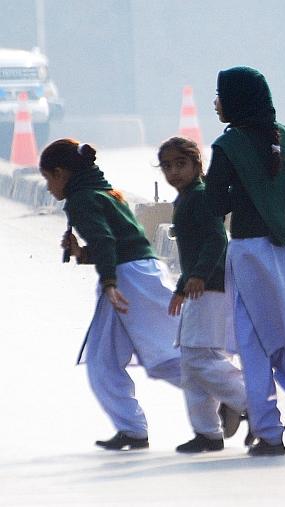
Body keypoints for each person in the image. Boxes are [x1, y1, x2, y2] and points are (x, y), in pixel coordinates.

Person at [205, 66, 285, 456]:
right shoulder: (284, 135)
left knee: (254, 343)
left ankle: (269, 434)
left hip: (249, 252)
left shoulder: (228, 145)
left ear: (236, 100)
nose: (216, 103)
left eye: (220, 95)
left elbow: (215, 202)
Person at [40, 139, 181, 450]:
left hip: (128, 279)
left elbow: (106, 242)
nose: (49, 187)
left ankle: (233, 396)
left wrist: (109, 283)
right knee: (104, 361)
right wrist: (83, 253)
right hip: (133, 272)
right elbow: (118, 241)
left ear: (61, 173)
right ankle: (132, 429)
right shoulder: (104, 192)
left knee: (163, 356)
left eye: (49, 178)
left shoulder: (82, 199)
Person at [158, 137, 247, 453]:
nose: (174, 172)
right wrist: (183, 286)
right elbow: (194, 249)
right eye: (167, 166)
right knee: (191, 363)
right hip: (198, 286)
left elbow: (215, 240)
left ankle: (249, 401)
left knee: (200, 357)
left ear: (197, 165)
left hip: (210, 287)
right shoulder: (187, 198)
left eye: (180, 164)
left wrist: (196, 277)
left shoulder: (198, 197)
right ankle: (207, 433)